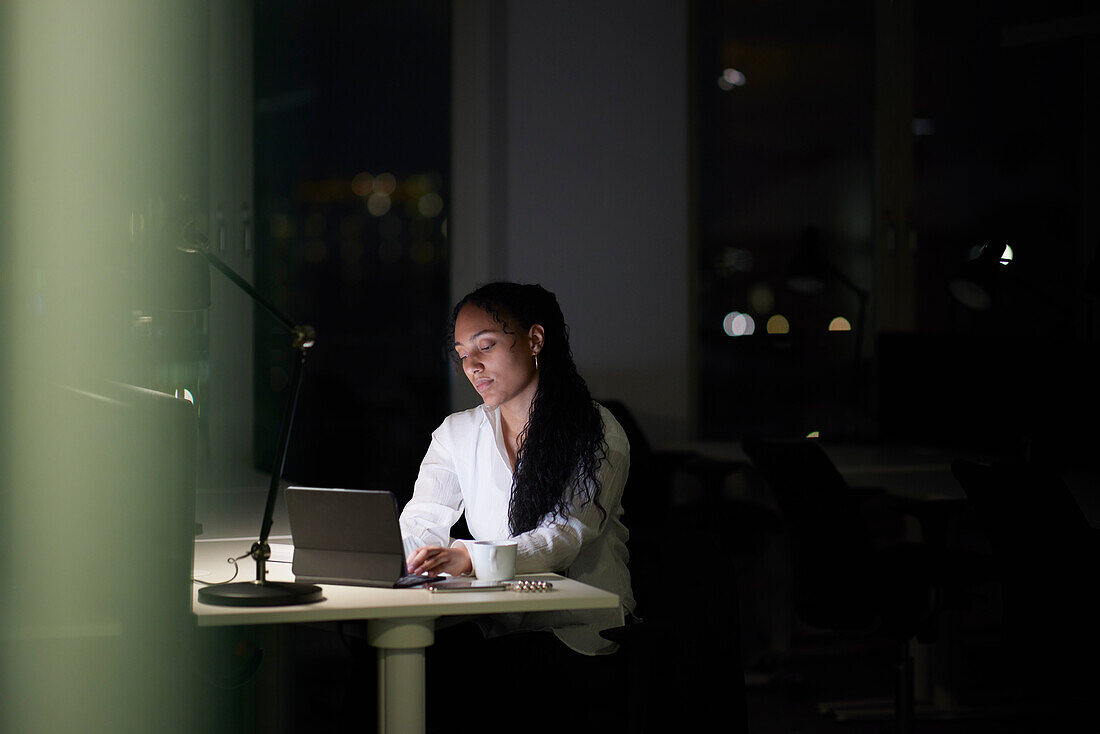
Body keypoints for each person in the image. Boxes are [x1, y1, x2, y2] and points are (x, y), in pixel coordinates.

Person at [399, 281, 634, 655]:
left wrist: (469, 557)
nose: (472, 366)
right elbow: (421, 521)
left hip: (576, 629)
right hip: (500, 620)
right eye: (462, 354)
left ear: (535, 340)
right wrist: (411, 558)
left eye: (486, 346)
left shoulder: (597, 431)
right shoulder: (456, 433)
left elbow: (563, 537)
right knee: (396, 652)